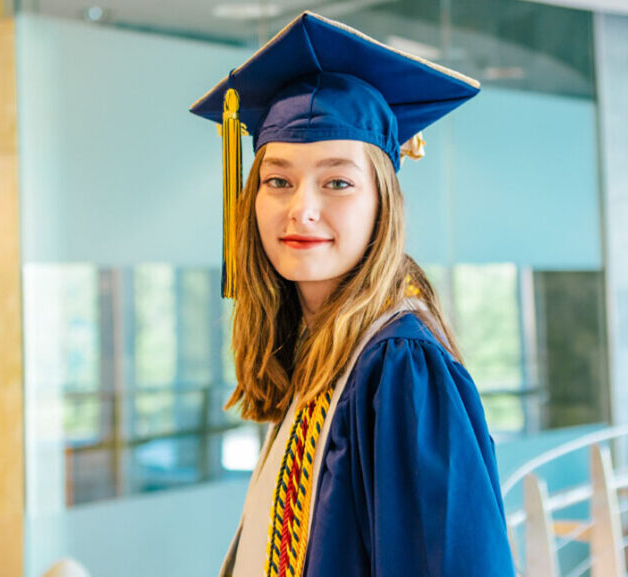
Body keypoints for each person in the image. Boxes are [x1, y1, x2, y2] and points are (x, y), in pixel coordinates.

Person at [189, 11, 515, 577]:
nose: (301, 208)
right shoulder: (318, 352)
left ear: (382, 204)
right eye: (278, 180)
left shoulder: (400, 367)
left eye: (337, 181)